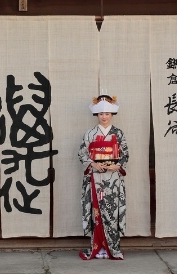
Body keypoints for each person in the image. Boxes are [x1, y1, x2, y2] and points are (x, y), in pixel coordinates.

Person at [78, 94, 129, 260]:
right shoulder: (90, 133)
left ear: (112, 114)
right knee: (96, 212)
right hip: (95, 178)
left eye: (107, 113)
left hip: (113, 179)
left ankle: (112, 249)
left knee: (112, 212)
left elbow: (125, 154)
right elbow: (82, 153)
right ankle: (97, 247)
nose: (104, 117)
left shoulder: (118, 133)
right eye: (101, 114)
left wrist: (117, 165)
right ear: (96, 115)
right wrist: (93, 164)